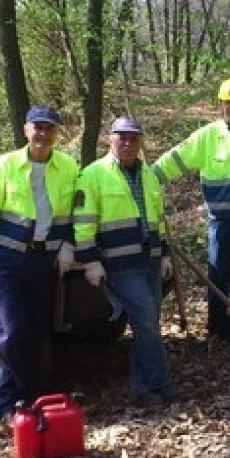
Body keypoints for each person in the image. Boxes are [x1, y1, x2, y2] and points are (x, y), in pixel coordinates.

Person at [0, 105, 79, 422]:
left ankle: (29, 400)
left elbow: (75, 213)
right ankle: (10, 400)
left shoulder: (68, 167)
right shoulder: (3, 166)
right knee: (13, 332)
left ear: (56, 133)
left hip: (45, 262)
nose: (43, 134)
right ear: (26, 130)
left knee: (37, 333)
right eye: (38, 128)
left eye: (49, 129)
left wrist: (68, 246)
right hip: (8, 263)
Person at [153, 77, 230, 345]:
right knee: (217, 274)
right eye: (227, 104)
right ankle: (215, 327)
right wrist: (146, 177)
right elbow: (175, 159)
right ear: (220, 105)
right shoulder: (207, 137)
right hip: (220, 221)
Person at [74, 117, 184, 408]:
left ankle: (142, 388)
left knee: (147, 323)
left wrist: (163, 256)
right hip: (118, 263)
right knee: (147, 318)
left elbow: (157, 219)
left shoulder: (147, 174)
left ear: (140, 142)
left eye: (133, 138)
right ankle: (161, 382)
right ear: (110, 140)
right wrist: (90, 261)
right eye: (121, 137)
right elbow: (83, 224)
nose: (127, 143)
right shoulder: (93, 175)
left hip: (148, 260)